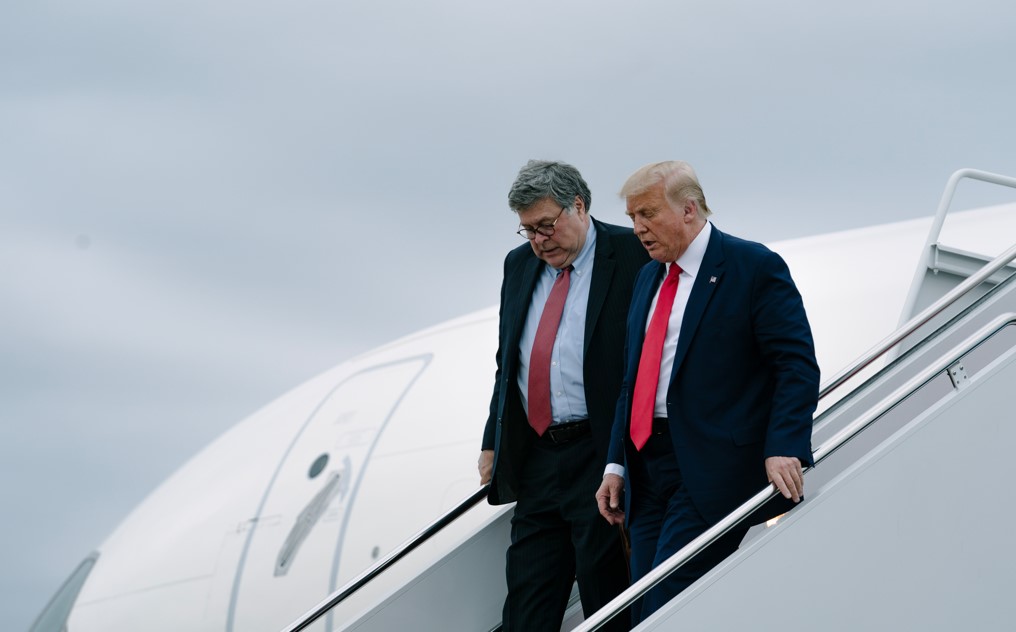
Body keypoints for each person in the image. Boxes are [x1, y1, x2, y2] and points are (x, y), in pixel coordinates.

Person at [595, 160, 820, 623]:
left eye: (648, 214)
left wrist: (784, 446)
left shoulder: (752, 266)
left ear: (689, 210)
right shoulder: (647, 278)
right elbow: (631, 380)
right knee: (643, 603)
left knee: (670, 600)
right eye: (632, 217)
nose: (638, 228)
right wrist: (616, 463)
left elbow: (795, 364)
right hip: (646, 468)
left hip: (709, 466)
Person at [479, 159, 649, 631]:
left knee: (604, 592)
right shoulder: (519, 266)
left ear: (579, 205)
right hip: (537, 459)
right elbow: (507, 360)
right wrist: (492, 440)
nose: (538, 240)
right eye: (528, 230)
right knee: (528, 600)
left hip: (601, 454)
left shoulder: (632, 253)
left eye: (547, 226)